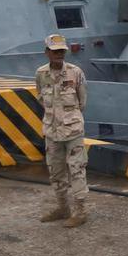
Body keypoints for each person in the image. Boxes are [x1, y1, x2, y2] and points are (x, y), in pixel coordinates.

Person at [36, 33, 89, 227]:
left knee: (77, 170)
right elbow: (41, 97)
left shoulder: (76, 72)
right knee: (56, 172)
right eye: (55, 51)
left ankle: (81, 211)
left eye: (62, 51)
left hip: (73, 131)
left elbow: (82, 102)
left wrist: (68, 118)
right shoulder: (41, 74)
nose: (59, 54)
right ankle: (62, 207)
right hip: (52, 131)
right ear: (47, 52)